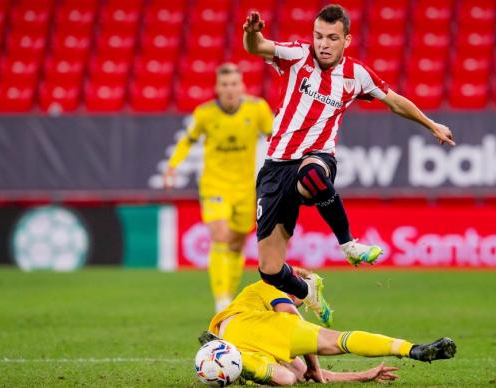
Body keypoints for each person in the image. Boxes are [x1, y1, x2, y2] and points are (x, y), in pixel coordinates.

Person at [242, 4, 455, 327]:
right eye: (318, 36)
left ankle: (348, 244)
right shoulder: (297, 56)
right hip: (275, 169)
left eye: (331, 38)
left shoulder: (357, 74)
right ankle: (309, 289)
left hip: (317, 158)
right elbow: (257, 47)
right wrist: (251, 32)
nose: (323, 44)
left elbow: (394, 100)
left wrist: (431, 124)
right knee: (270, 269)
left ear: (347, 39)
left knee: (312, 174)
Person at [198, 268, 456, 386]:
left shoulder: (274, 319)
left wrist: (361, 376)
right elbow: (293, 319)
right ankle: (412, 349)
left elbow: (311, 377)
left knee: (289, 379)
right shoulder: (269, 285)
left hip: (235, 341)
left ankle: (237, 364)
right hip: (247, 324)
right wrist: (313, 364)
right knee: (338, 340)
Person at [164, 63, 274, 312]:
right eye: (224, 85)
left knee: (236, 243)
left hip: (246, 187)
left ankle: (229, 294)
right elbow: (186, 141)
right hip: (215, 184)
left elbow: (276, 136)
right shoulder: (204, 114)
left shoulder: (257, 109)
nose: (229, 89)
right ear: (217, 88)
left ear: (242, 86)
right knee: (220, 235)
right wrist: (172, 166)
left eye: (234, 84)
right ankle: (221, 300)